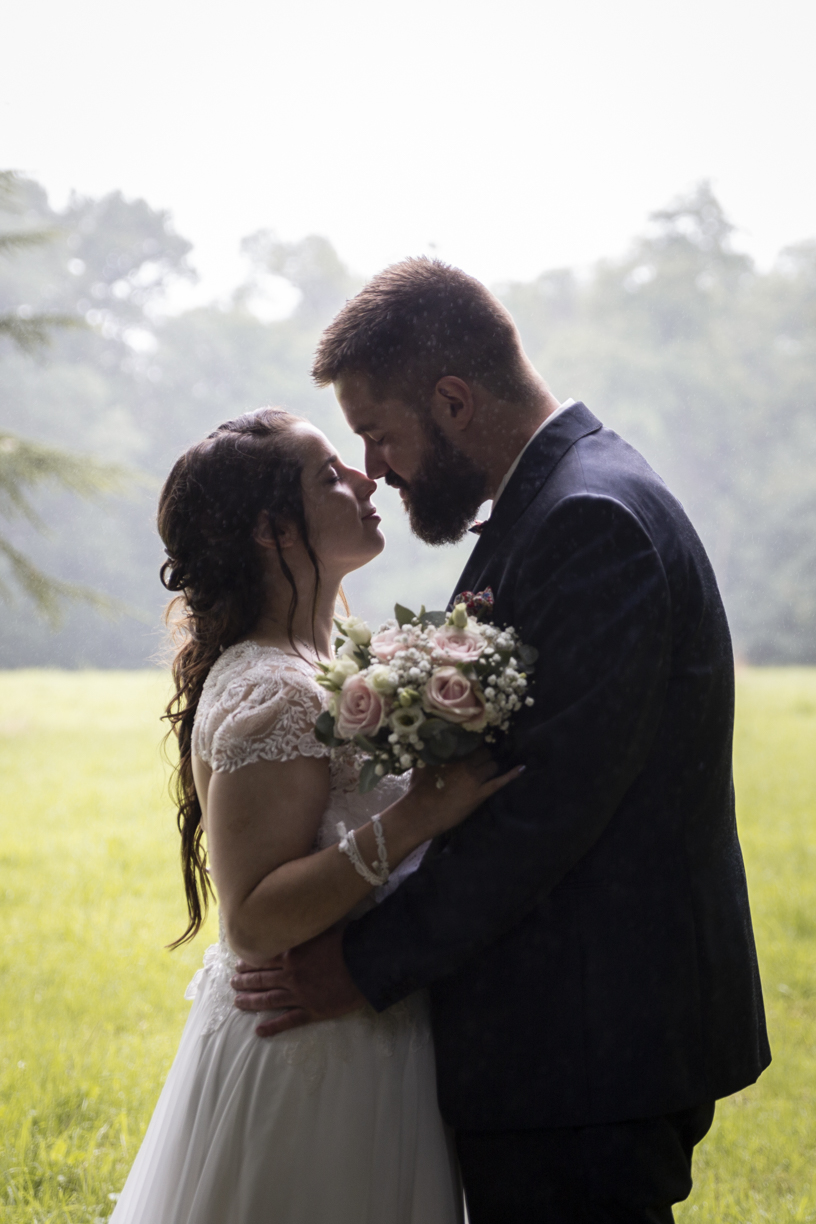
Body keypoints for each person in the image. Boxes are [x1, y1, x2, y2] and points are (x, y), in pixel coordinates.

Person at [231, 259, 772, 1223]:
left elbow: (541, 809)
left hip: (590, 1041)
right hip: (576, 1036)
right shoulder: (561, 498)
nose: (378, 469)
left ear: (453, 400)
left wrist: (358, 967)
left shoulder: (587, 519)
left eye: (380, 436)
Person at [109, 406, 522, 1224]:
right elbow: (255, 920)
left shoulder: (330, 663)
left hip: (368, 1025)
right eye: (330, 475)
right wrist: (415, 819)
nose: (367, 480)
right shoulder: (278, 690)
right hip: (310, 1055)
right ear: (271, 531)